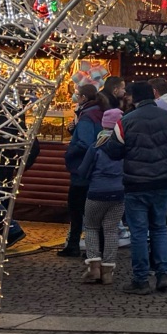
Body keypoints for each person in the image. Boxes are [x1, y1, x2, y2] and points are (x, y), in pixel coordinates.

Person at [118, 81, 167, 294]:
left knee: (138, 232)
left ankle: (140, 279)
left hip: (135, 183)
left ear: (135, 98)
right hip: (163, 182)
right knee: (160, 228)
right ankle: (162, 274)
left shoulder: (125, 121)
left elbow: (113, 150)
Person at [78, 108, 126, 284]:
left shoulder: (96, 146)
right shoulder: (124, 148)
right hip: (119, 193)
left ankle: (94, 267)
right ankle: (108, 270)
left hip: (97, 192)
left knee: (91, 227)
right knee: (111, 229)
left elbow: (84, 170)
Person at [59, 82, 104, 257]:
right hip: (95, 168)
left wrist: (71, 151)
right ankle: (96, 249)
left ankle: (75, 246)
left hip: (82, 170)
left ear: (84, 97)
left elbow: (85, 142)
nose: (76, 98)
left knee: (77, 209)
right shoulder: (99, 112)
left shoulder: (87, 116)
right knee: (93, 212)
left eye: (78, 95)